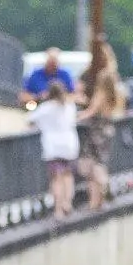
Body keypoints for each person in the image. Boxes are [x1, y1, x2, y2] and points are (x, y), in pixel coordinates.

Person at [76, 35, 126, 211]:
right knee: (98, 163)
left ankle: (105, 188)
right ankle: (96, 201)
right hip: (108, 126)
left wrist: (78, 116)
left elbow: (92, 109)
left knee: (93, 164)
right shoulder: (115, 82)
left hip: (97, 128)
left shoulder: (102, 85)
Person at [30, 80, 80, 218]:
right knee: (68, 176)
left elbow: (30, 119)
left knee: (56, 178)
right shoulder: (70, 106)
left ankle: (58, 209)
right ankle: (67, 203)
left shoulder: (46, 107)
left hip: (52, 146)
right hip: (69, 145)